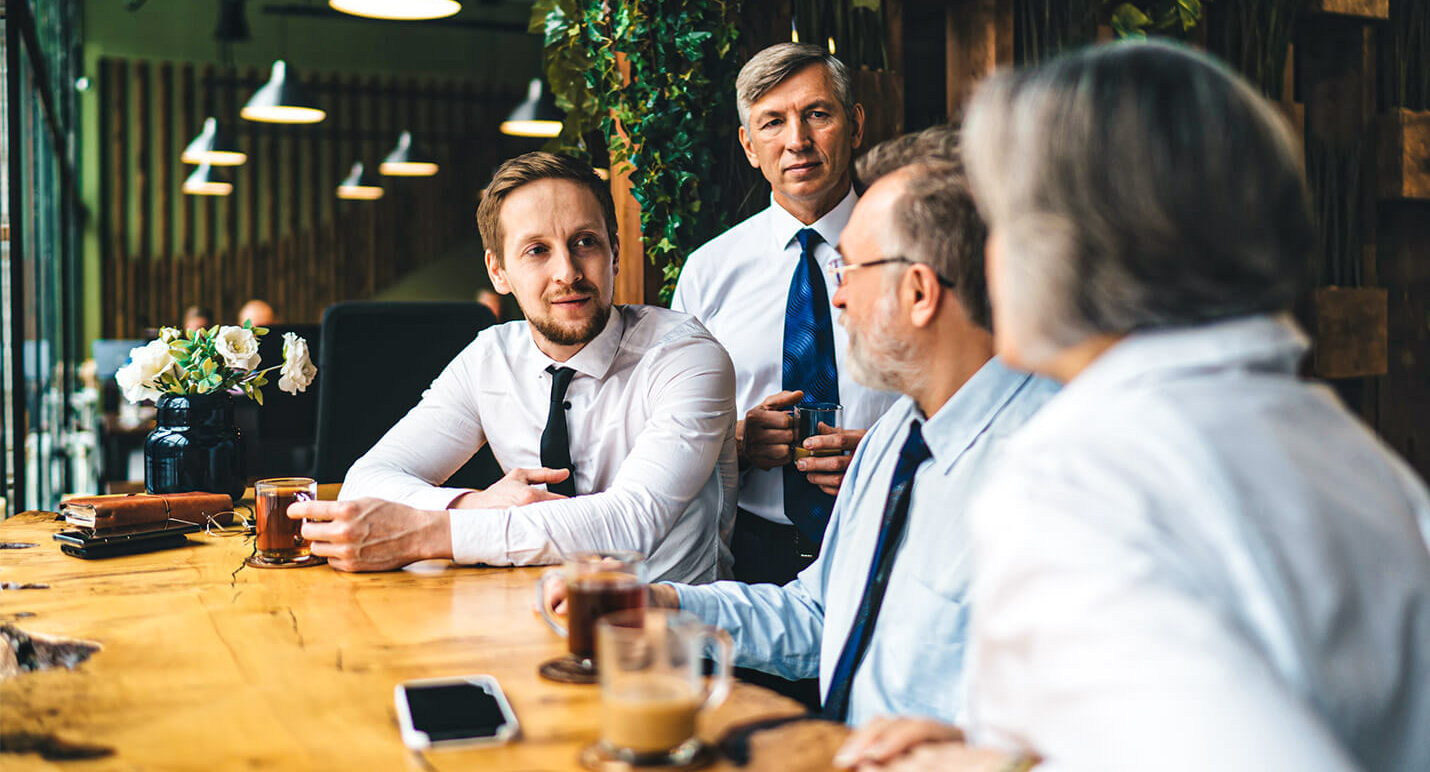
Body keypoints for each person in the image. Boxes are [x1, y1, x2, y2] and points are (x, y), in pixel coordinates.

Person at [835, 42, 1430, 772]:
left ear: (1078, 243)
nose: (985, 255)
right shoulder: (1356, 455)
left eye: (1006, 220)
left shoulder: (1081, 472)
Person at [558, 128, 1057, 726]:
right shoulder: (900, 438)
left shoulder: (1054, 466)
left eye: (852, 270)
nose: (837, 297)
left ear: (920, 292)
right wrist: (662, 604)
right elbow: (822, 614)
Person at [291, 152, 738, 584]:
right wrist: (473, 506)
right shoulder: (490, 359)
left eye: (585, 242)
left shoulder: (686, 357)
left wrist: (428, 532)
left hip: (672, 639)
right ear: (498, 271)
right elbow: (366, 481)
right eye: (537, 250)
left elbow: (630, 522)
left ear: (615, 253)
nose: (567, 272)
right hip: (529, 622)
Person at [672, 43, 897, 586]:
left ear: (855, 124)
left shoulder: (912, 249)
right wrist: (739, 444)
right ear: (749, 146)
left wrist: (888, 455)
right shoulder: (708, 272)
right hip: (752, 557)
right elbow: (671, 430)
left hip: (894, 538)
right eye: (772, 122)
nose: (797, 141)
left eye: (817, 114)